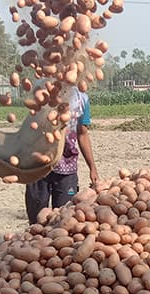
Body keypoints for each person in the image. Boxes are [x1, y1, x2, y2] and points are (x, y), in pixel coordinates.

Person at [24, 88, 98, 225]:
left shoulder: (82, 99)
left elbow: (82, 134)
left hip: (67, 168)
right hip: (37, 166)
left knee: (63, 219)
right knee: (36, 221)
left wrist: (92, 167)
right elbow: (29, 128)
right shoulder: (43, 92)